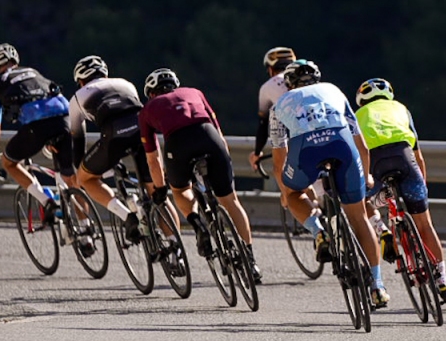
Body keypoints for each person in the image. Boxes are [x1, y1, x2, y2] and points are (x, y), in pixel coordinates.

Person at [269, 59, 388, 308]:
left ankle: (319, 231)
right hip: (342, 145)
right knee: (359, 218)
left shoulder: (279, 105)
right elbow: (362, 145)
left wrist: (286, 191)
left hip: (305, 151)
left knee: (294, 194)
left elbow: (279, 161)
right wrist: (365, 176)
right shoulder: (334, 90)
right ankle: (378, 286)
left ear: (288, 84)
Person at [137, 67, 260, 281]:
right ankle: (250, 261)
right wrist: (225, 162)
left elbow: (153, 158)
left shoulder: (147, 109)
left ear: (151, 92)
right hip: (208, 135)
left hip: (178, 143)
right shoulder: (195, 92)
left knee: (180, 190)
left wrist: (159, 189)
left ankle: (198, 225)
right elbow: (218, 130)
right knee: (231, 201)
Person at [354, 77, 446, 304]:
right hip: (404, 157)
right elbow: (418, 155)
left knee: (362, 203)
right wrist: (423, 187)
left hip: (375, 160)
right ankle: (443, 282)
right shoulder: (401, 109)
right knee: (424, 224)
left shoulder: (356, 115)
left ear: (362, 99)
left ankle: (382, 231)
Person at [0, 44, 81, 230]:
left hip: (37, 126)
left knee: (9, 162)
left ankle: (47, 201)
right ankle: (87, 229)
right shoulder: (33, 72)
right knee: (71, 179)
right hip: (66, 118)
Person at [67, 55, 148, 244]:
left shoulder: (78, 97)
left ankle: (127, 216)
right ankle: (174, 248)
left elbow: (78, 138)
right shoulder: (125, 83)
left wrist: (80, 170)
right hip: (142, 132)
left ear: (81, 80)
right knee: (155, 193)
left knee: (85, 177)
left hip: (114, 135)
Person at [249, 46, 296, 175]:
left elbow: (263, 125)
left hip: (295, 140)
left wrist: (257, 153)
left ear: (270, 69)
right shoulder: (309, 79)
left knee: (288, 186)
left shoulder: (268, 86)